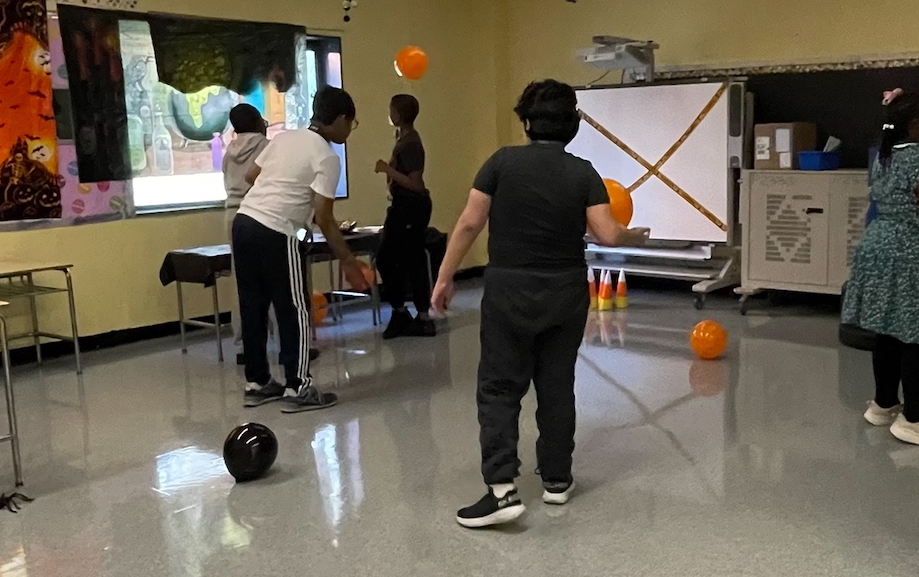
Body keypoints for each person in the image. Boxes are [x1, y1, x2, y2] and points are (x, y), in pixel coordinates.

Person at [431, 78, 626, 528]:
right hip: (565, 292)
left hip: (508, 291)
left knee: (500, 388)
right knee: (556, 384)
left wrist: (444, 277)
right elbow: (608, 235)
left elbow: (467, 224)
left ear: (525, 122)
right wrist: (634, 234)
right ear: (573, 125)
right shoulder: (583, 172)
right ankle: (557, 480)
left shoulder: (501, 163)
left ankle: (501, 491)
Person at [841, 91, 919, 447]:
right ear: (916, 124)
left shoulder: (885, 156)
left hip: (883, 249)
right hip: (915, 257)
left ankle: (883, 405)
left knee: (889, 329)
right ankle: (914, 419)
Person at [232, 85, 369, 415]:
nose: (350, 129)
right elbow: (324, 216)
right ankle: (298, 387)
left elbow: (252, 176)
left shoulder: (283, 138)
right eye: (351, 122)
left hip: (243, 223)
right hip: (276, 232)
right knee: (293, 308)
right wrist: (348, 261)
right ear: (338, 119)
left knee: (253, 305)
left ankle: (258, 383)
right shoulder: (326, 155)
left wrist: (282, 187)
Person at [374, 93, 435, 340]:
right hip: (402, 207)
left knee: (400, 258)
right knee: (397, 258)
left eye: (392, 110)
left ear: (398, 113)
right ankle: (404, 312)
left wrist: (386, 169)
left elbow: (416, 183)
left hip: (411, 208)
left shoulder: (411, 143)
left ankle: (419, 316)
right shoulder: (403, 138)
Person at [220, 102, 268, 207]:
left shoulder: (229, 153)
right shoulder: (267, 147)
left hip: (231, 210)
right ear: (258, 123)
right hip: (257, 210)